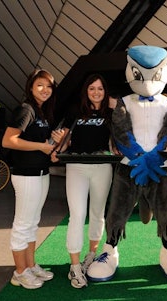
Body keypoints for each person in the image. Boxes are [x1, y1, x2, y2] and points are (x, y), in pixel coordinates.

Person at [87, 45, 167, 282]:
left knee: (165, 211)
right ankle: (109, 250)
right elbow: (120, 131)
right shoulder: (123, 102)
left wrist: (153, 158)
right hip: (128, 167)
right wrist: (139, 158)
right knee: (117, 211)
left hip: (160, 169)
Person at [51, 74, 116, 288]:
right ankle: (75, 266)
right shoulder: (75, 110)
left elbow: (119, 136)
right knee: (77, 215)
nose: (96, 92)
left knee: (98, 213)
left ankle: (91, 254)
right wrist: (59, 145)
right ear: (85, 91)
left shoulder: (111, 112)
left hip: (102, 167)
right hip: (77, 167)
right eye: (91, 89)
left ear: (105, 91)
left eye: (100, 88)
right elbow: (66, 139)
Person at [2, 69, 64, 289]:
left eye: (49, 86)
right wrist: (41, 145)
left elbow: (42, 146)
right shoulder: (25, 109)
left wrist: (52, 143)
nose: (45, 90)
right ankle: (20, 272)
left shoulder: (42, 112)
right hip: (25, 175)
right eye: (40, 85)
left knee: (32, 223)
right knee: (22, 225)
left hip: (41, 173)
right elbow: (9, 141)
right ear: (30, 87)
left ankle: (30, 265)